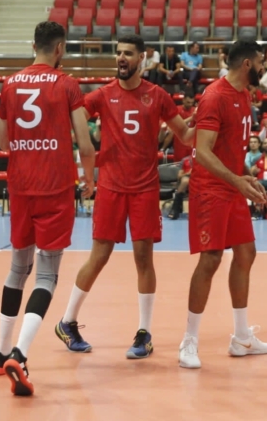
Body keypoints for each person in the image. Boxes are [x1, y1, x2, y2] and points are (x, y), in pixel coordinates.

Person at [55, 34, 195, 359]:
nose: (121, 58)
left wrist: (205, 119)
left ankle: (144, 332)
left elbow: (186, 135)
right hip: (111, 188)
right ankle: (67, 321)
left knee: (144, 259)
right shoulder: (103, 95)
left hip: (144, 189)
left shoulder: (157, 96)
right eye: (119, 53)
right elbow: (74, 118)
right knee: (99, 256)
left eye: (128, 53)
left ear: (142, 59)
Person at [0, 21, 96, 397]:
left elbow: (3, 141)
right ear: (60, 48)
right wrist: (89, 180)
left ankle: (0, 353)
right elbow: (85, 144)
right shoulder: (67, 85)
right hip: (55, 187)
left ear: (33, 45)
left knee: (18, 268)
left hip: (20, 187)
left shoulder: (10, 83)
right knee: (47, 275)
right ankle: (20, 354)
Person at [178, 40, 267, 369]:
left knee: (246, 252)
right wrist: (236, 181)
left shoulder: (244, 95)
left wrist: (247, 177)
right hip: (210, 189)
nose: (263, 67)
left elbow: (231, 148)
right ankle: (189, 341)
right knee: (211, 259)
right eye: (260, 62)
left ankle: (242, 336)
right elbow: (202, 152)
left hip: (231, 186)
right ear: (247, 64)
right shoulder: (215, 96)